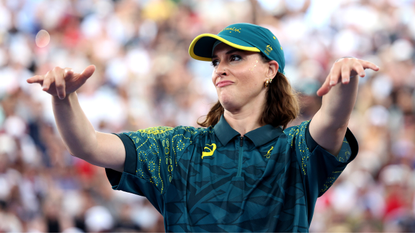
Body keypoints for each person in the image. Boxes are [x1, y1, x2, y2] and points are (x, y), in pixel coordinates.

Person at [27, 23, 379, 232]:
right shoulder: (177, 148)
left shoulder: (295, 149)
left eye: (235, 58)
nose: (219, 69)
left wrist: (346, 78)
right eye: (216, 61)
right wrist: (63, 98)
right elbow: (87, 145)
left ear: (271, 70)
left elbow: (332, 122)